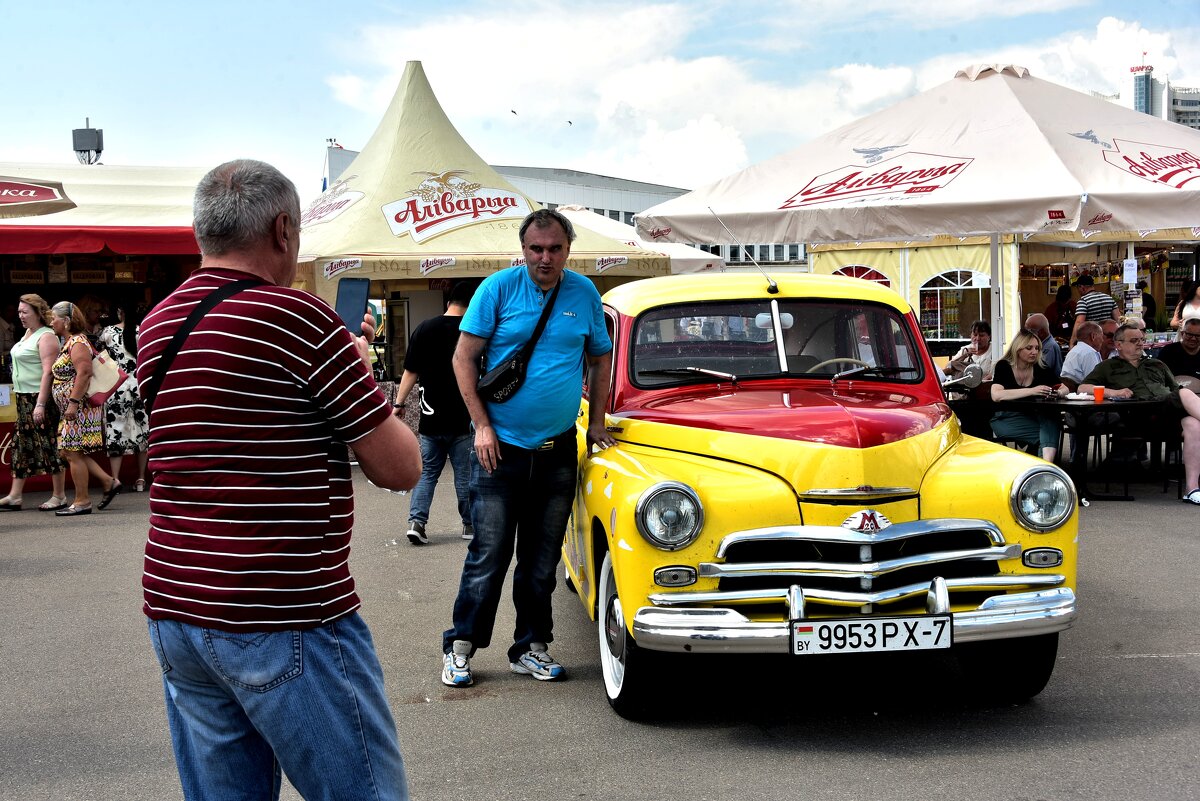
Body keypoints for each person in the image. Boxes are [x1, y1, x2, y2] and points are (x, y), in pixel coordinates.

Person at [137, 159, 421, 800]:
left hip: (177, 605)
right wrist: (360, 369)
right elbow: (399, 468)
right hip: (282, 609)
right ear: (284, 229)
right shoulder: (300, 320)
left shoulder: (157, 324)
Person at [442, 208, 615, 688]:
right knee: (489, 555)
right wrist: (481, 426)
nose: (545, 257)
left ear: (567, 249)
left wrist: (596, 421)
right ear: (522, 249)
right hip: (501, 451)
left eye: (554, 249)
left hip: (558, 450)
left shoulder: (582, 292)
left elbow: (600, 361)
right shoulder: (496, 289)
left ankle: (531, 648)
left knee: (541, 561)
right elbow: (463, 358)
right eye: (536, 249)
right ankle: (460, 647)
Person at [1079, 323, 1200, 503]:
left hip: (1167, 412)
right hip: (1138, 415)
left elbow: (1174, 390)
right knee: (1184, 394)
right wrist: (1114, 392)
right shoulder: (1108, 367)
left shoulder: (1157, 364)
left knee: (1193, 424)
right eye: (1134, 340)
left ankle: (1192, 489)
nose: (1139, 344)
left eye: (1142, 340)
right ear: (1118, 344)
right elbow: (1083, 386)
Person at [395, 281, 476, 545]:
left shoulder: (424, 329)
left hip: (431, 419)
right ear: (472, 303)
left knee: (428, 472)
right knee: (464, 473)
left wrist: (398, 404)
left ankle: (417, 522)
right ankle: (469, 525)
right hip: (463, 419)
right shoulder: (472, 332)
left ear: (449, 301)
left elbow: (411, 371)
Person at [49, 301, 120, 516]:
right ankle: (109, 482)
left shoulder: (77, 341)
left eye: (54, 318)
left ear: (66, 321)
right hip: (74, 406)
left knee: (71, 451)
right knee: (69, 451)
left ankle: (82, 501)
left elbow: (84, 372)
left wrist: (72, 402)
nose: (51, 322)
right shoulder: (70, 341)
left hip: (78, 406)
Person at [0, 294, 67, 511]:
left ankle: (59, 495)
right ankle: (15, 496)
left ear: (38, 313)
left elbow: (48, 372)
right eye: (19, 311)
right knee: (20, 446)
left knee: (49, 444)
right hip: (22, 397)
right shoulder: (28, 334)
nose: (20, 315)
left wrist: (40, 403)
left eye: (25, 312)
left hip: (38, 397)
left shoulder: (46, 335)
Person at [989, 328, 1061, 463]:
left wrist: (1058, 392)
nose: (1034, 352)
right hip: (1005, 418)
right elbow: (996, 395)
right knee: (1049, 435)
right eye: (1029, 348)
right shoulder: (1004, 366)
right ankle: (1045, 468)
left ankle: (1042, 467)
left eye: (1037, 348)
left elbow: (1064, 388)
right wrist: (1032, 390)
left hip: (1031, 417)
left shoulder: (1040, 367)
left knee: (1051, 420)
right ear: (1018, 349)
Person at [98, 302, 149, 492]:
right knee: (142, 431)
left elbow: (99, 355)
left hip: (116, 386)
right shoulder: (141, 331)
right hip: (137, 385)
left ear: (120, 312)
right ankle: (141, 479)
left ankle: (116, 479)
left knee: (116, 432)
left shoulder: (107, 332)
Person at [1071, 275, 1120, 344]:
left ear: (1082, 287)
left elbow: (1079, 323)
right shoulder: (1109, 298)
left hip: (1093, 339)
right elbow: (1118, 319)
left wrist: (1072, 342)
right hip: (1109, 339)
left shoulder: (1083, 301)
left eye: (1078, 288)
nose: (1078, 291)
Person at [1059, 321, 1105, 391]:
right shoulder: (1089, 353)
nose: (1102, 340)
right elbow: (1094, 382)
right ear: (1093, 336)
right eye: (1101, 336)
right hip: (1082, 396)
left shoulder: (1074, 350)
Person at [1158, 317, 1200, 383]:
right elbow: (1158, 377)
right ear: (1182, 333)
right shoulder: (1168, 351)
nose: (1193, 339)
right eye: (1189, 335)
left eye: (1198, 336)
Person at [1024, 312, 1062, 379]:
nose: (1027, 335)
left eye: (1029, 331)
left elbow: (1041, 371)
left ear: (1041, 333)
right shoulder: (1043, 343)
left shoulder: (1049, 347)